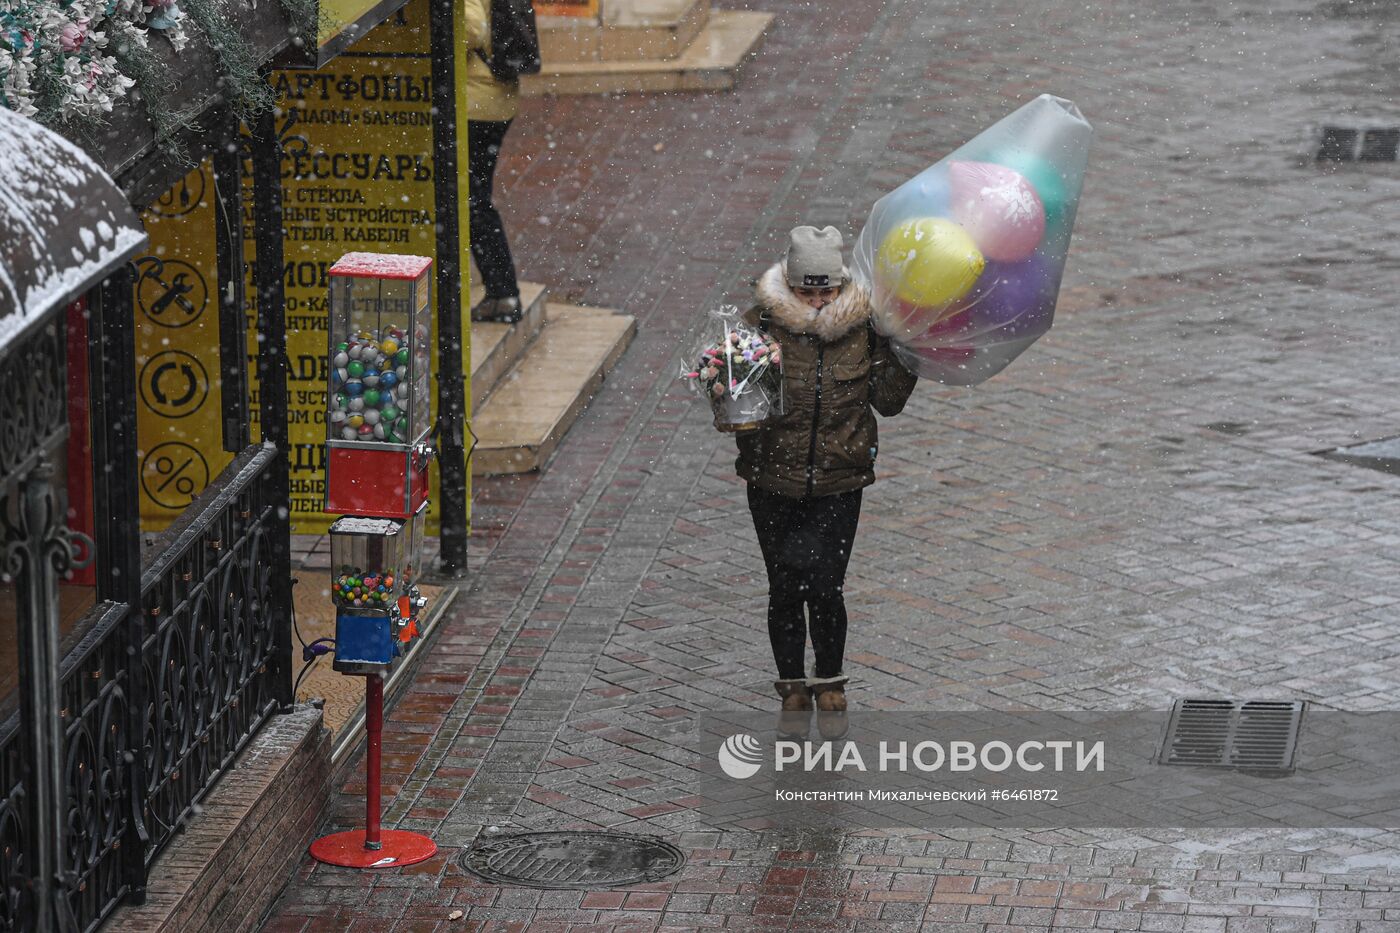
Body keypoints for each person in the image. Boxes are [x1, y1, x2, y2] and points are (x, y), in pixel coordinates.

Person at [736, 225, 917, 724]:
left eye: (826, 289)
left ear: (840, 284)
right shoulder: (759, 328)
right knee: (784, 585)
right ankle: (791, 685)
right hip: (772, 479)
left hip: (840, 481)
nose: (817, 300)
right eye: (806, 290)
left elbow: (888, 402)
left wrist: (907, 355)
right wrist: (724, 386)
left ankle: (831, 681)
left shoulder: (867, 328)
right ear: (790, 285)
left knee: (826, 585)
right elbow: (739, 408)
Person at [465, 0, 524, 323]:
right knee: (474, 198)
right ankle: (502, 291)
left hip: (477, 102)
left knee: (471, 200)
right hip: (495, 95)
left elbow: (471, 28)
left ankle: (502, 292)